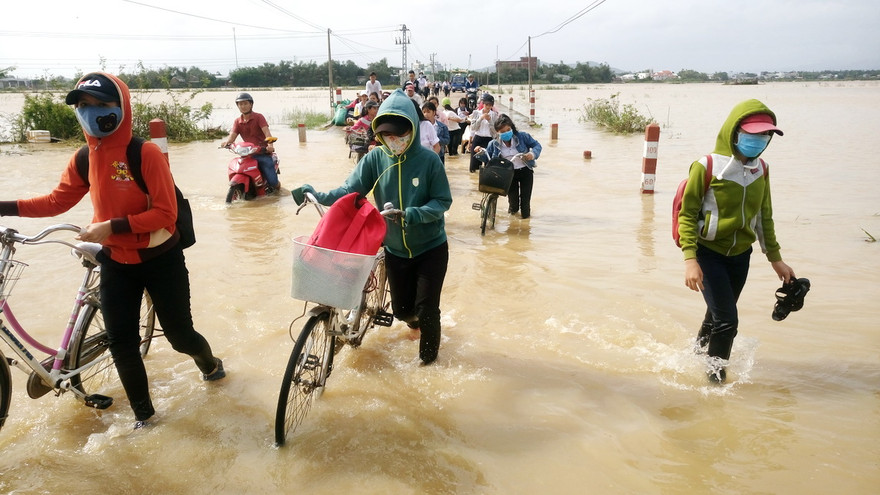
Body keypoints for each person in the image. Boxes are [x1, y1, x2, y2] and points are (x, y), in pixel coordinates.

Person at [0, 72, 225, 429]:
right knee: (122, 343)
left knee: (180, 336)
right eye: (84, 106)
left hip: (160, 259)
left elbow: (165, 214)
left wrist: (110, 227)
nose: (91, 113)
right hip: (116, 262)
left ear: (121, 106)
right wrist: (3, 206)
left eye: (101, 105)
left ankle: (210, 364)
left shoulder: (144, 153)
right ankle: (146, 419)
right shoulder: (83, 158)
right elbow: (56, 201)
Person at [290, 88, 452, 365]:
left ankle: (429, 366)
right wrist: (318, 195)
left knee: (427, 309)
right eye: (388, 135)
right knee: (401, 311)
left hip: (430, 247)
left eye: (401, 135)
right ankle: (412, 324)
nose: (395, 140)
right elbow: (350, 191)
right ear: (379, 133)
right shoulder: (375, 159)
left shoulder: (429, 161)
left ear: (412, 130)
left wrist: (413, 214)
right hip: (395, 250)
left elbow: (442, 201)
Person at [678, 99, 797, 384]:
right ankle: (715, 383)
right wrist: (690, 259)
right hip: (709, 253)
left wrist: (775, 258)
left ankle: (694, 356)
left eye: (764, 135)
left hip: (741, 256)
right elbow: (687, 213)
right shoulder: (706, 166)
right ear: (734, 132)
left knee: (717, 314)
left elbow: (763, 216)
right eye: (752, 134)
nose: (758, 140)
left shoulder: (762, 170)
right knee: (728, 321)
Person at [473, 113, 542, 219]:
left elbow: (537, 145)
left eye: (508, 130)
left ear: (512, 128)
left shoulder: (522, 137)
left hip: (525, 171)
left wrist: (532, 154)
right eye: (502, 132)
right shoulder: (494, 144)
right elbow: (488, 159)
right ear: (497, 132)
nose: (506, 133)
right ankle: (512, 227)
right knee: (513, 205)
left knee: (525, 204)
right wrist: (479, 151)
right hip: (509, 174)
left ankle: (525, 229)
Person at [219, 92, 280, 194]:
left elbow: (267, 132)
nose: (243, 106)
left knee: (273, 182)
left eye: (245, 103)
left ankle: (278, 190)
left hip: (262, 153)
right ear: (237, 106)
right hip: (247, 154)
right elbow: (232, 137)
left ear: (251, 104)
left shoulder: (259, 117)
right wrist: (227, 143)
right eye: (240, 104)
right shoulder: (237, 121)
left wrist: (270, 146)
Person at [467, 93, 498, 172]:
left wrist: (490, 120)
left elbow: (495, 131)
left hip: (489, 140)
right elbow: (473, 127)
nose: (488, 107)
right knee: (474, 164)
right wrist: (480, 119)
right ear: (483, 104)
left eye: (490, 105)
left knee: (488, 162)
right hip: (478, 138)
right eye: (486, 104)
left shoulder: (494, 115)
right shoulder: (476, 113)